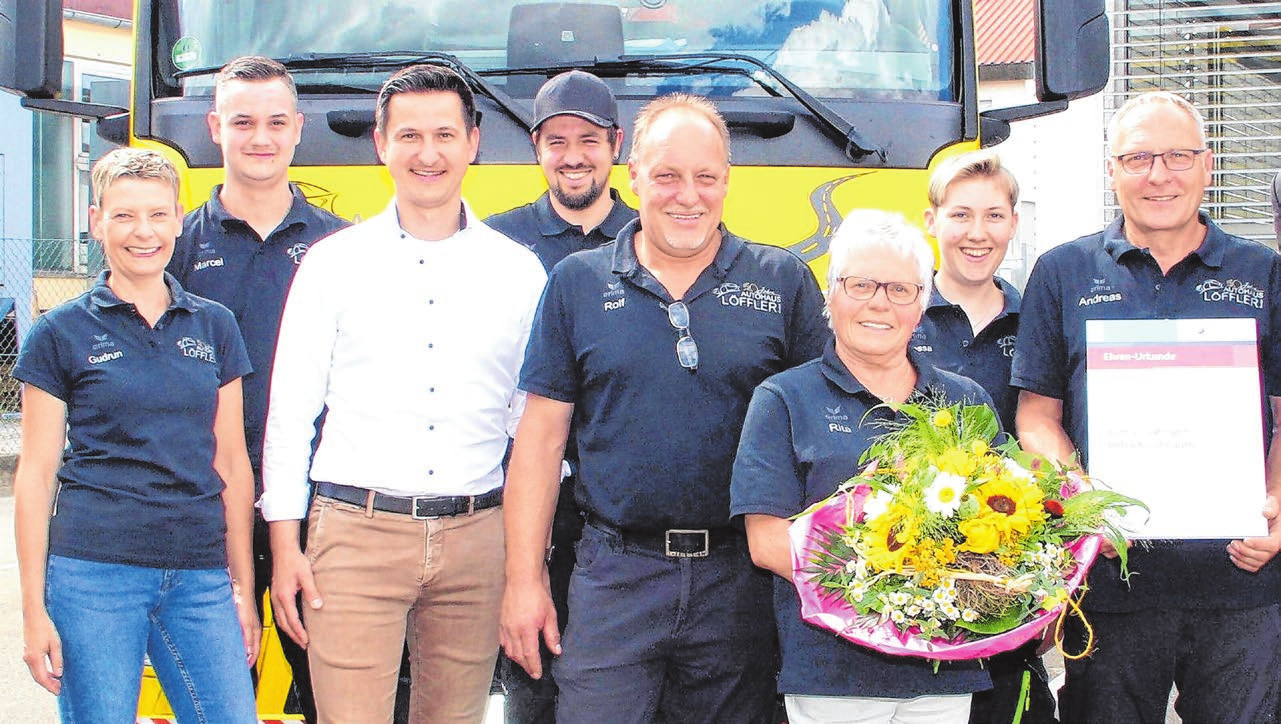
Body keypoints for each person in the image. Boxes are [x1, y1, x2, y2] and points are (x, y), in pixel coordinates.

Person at [501, 93, 829, 724]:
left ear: (728, 182)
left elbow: (816, 438)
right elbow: (539, 442)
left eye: (705, 177)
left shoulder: (783, 281)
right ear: (634, 177)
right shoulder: (576, 282)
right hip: (612, 579)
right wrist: (523, 580)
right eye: (668, 176)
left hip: (742, 586)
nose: (688, 195)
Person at [259, 64, 546, 723]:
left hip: (478, 539)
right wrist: (285, 547)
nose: (428, 153)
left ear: (473, 142)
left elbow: (529, 425)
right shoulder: (333, 264)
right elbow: (290, 412)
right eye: (409, 135)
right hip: (353, 539)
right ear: (381, 145)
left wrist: (527, 557)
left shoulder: (517, 273)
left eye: (444, 134)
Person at [1013, 90, 1281, 722]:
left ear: (1208, 166)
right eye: (1137, 159)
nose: (1158, 175)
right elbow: (1036, 417)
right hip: (1110, 586)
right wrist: (1080, 498)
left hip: (1240, 581)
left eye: (1177, 156)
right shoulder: (1062, 273)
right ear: (1112, 172)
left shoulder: (1264, 272)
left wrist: (1277, 501)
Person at [13, 147, 259, 722]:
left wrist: (242, 590)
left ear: (179, 218)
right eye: (123, 216)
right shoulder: (59, 332)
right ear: (97, 221)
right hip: (95, 574)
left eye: (156, 214)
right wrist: (32, 611)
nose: (142, 232)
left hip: (199, 576)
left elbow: (231, 463)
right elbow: (37, 473)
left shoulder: (214, 325)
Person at [730, 209, 992, 724]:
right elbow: (766, 542)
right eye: (860, 284)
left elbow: (1004, 533)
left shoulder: (965, 403)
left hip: (944, 667)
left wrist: (939, 606)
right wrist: (890, 601)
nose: (879, 303)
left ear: (923, 304)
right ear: (830, 295)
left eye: (900, 289)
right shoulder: (783, 399)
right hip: (833, 675)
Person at [167, 55, 349, 722]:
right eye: (243, 122)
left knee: (337, 696)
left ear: (298, 128)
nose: (261, 138)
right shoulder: (178, 248)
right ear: (215, 127)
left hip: (321, 511)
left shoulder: (340, 248)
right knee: (221, 702)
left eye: (276, 121)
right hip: (211, 511)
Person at [485, 69, 636, 724]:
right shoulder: (493, 244)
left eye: (588, 139)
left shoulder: (655, 236)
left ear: (616, 145)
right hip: (523, 504)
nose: (572, 155)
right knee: (533, 688)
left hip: (622, 514)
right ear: (535, 148)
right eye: (556, 141)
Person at [913, 151, 1056, 723]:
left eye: (995, 216)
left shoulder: (1040, 323)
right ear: (931, 221)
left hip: (1013, 579)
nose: (978, 233)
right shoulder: (898, 313)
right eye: (961, 215)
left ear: (1014, 224)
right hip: (912, 574)